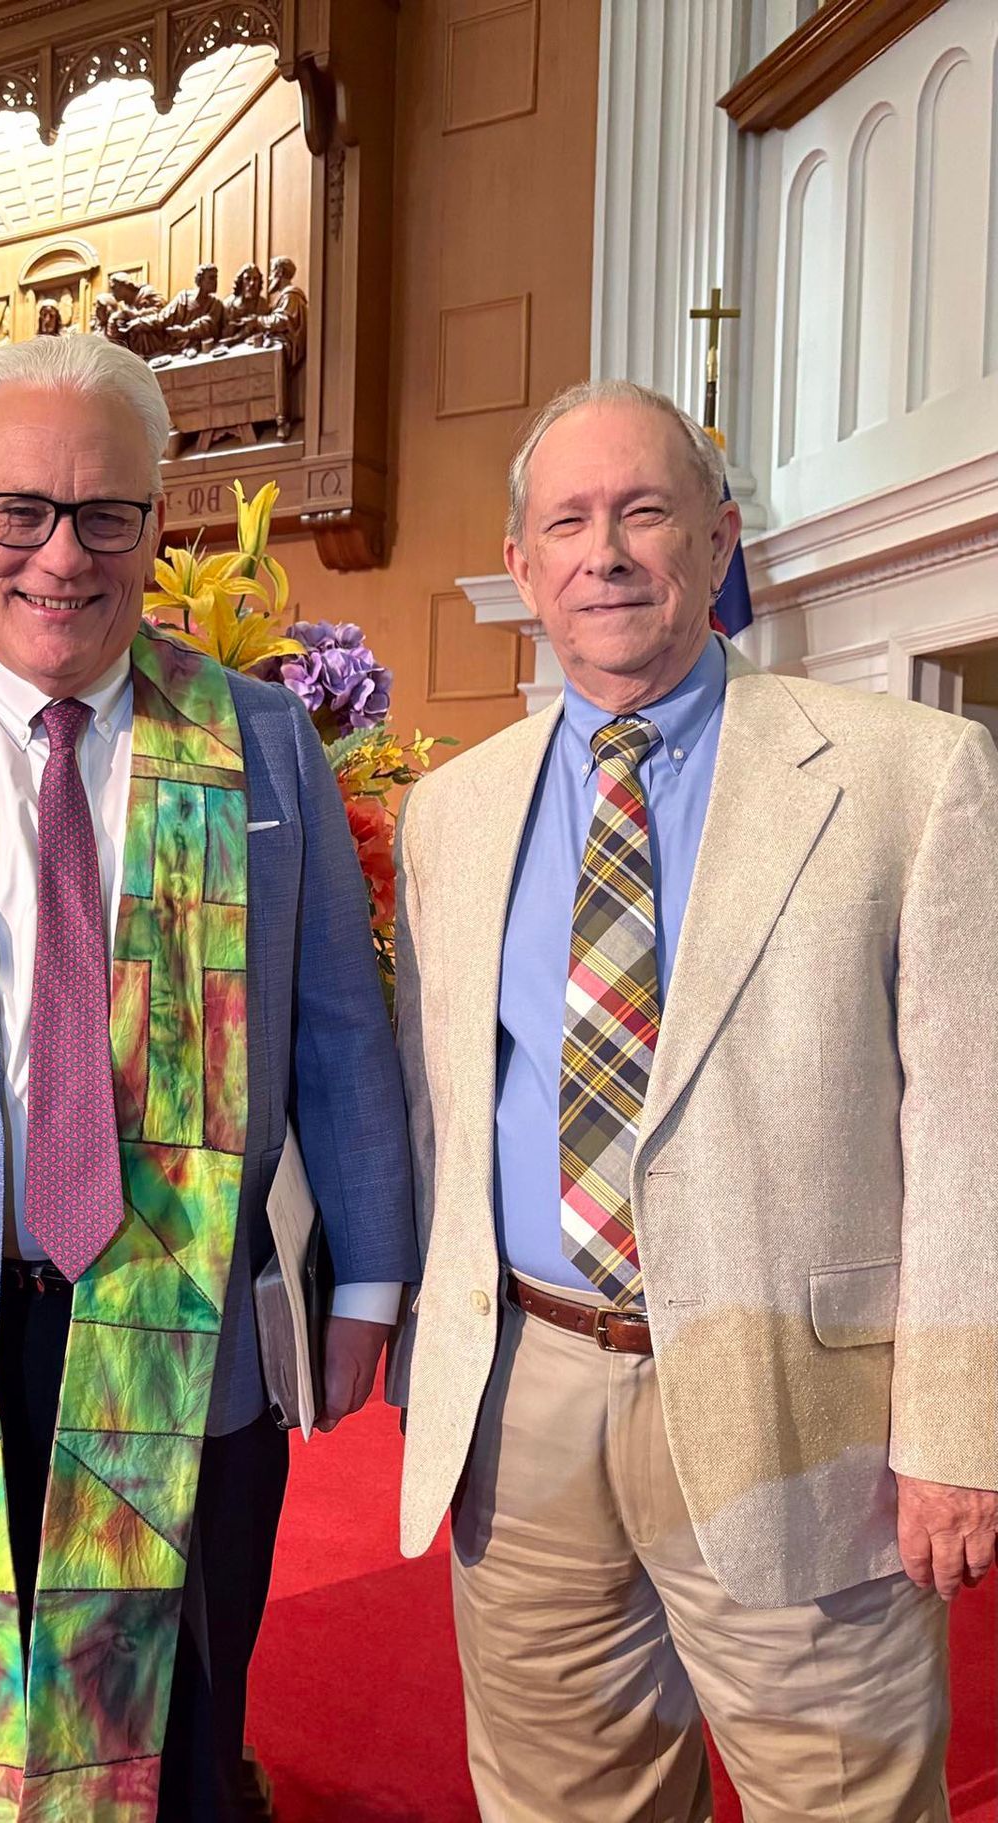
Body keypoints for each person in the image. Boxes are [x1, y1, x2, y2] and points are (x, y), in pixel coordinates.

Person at [0, 331, 416, 1820]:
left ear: (157, 527)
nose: (62, 556)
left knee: (181, 1725)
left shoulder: (258, 747)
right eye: (23, 513)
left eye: (106, 514)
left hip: (187, 1327)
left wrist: (367, 1282)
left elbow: (337, 1030)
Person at [391, 379, 998, 1821]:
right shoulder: (451, 811)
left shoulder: (909, 774)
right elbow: (443, 1115)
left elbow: (974, 1128)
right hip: (524, 1395)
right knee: (562, 1803)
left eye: (645, 512)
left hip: (798, 1392)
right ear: (525, 565)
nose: (605, 552)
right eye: (569, 522)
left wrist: (960, 1432)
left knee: (837, 1802)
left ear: (719, 544)